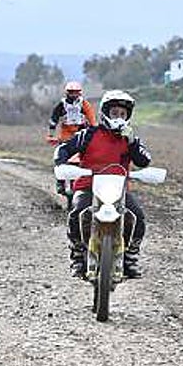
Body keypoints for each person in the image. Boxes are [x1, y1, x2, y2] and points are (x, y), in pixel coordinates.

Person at [54, 89, 151, 279]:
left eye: (123, 114)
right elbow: (64, 148)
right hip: (88, 185)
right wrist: (61, 163)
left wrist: (132, 143)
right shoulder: (88, 135)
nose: (119, 117)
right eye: (115, 113)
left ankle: (130, 257)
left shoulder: (130, 139)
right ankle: (78, 256)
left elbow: (144, 161)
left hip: (118, 189)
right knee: (77, 212)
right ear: (105, 113)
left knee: (137, 216)